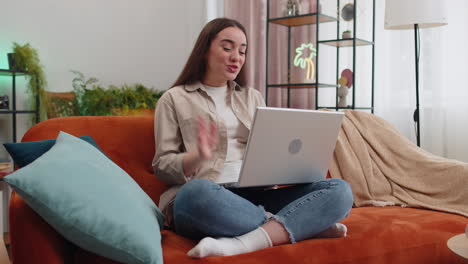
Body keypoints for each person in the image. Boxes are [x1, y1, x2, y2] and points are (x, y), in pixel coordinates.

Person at [152, 18, 353, 258]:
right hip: (212, 196)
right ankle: (299, 224)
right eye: (227, 48)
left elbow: (269, 151)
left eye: (242, 51)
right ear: (205, 50)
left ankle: (247, 240)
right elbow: (162, 165)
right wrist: (197, 157)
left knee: (340, 190)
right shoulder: (174, 99)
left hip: (258, 194)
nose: (236, 56)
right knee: (195, 195)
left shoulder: (252, 97)